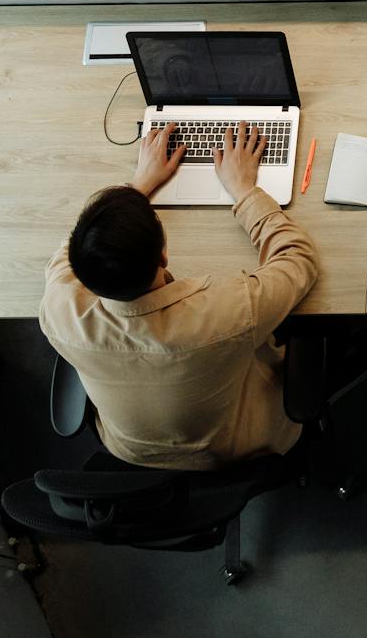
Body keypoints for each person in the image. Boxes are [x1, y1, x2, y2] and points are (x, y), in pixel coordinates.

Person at [39, 122, 320, 471]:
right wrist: (244, 189)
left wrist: (137, 187)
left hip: (129, 452)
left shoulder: (58, 309)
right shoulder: (224, 311)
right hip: (235, 449)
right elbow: (297, 259)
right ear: (164, 256)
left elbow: (74, 246)